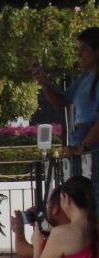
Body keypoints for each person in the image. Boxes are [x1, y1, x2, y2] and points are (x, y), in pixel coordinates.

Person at [33, 28, 99, 179]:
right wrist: (44, 83)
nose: (79, 55)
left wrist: (83, 146)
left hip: (90, 143)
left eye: (84, 50)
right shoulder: (84, 78)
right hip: (80, 140)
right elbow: (60, 100)